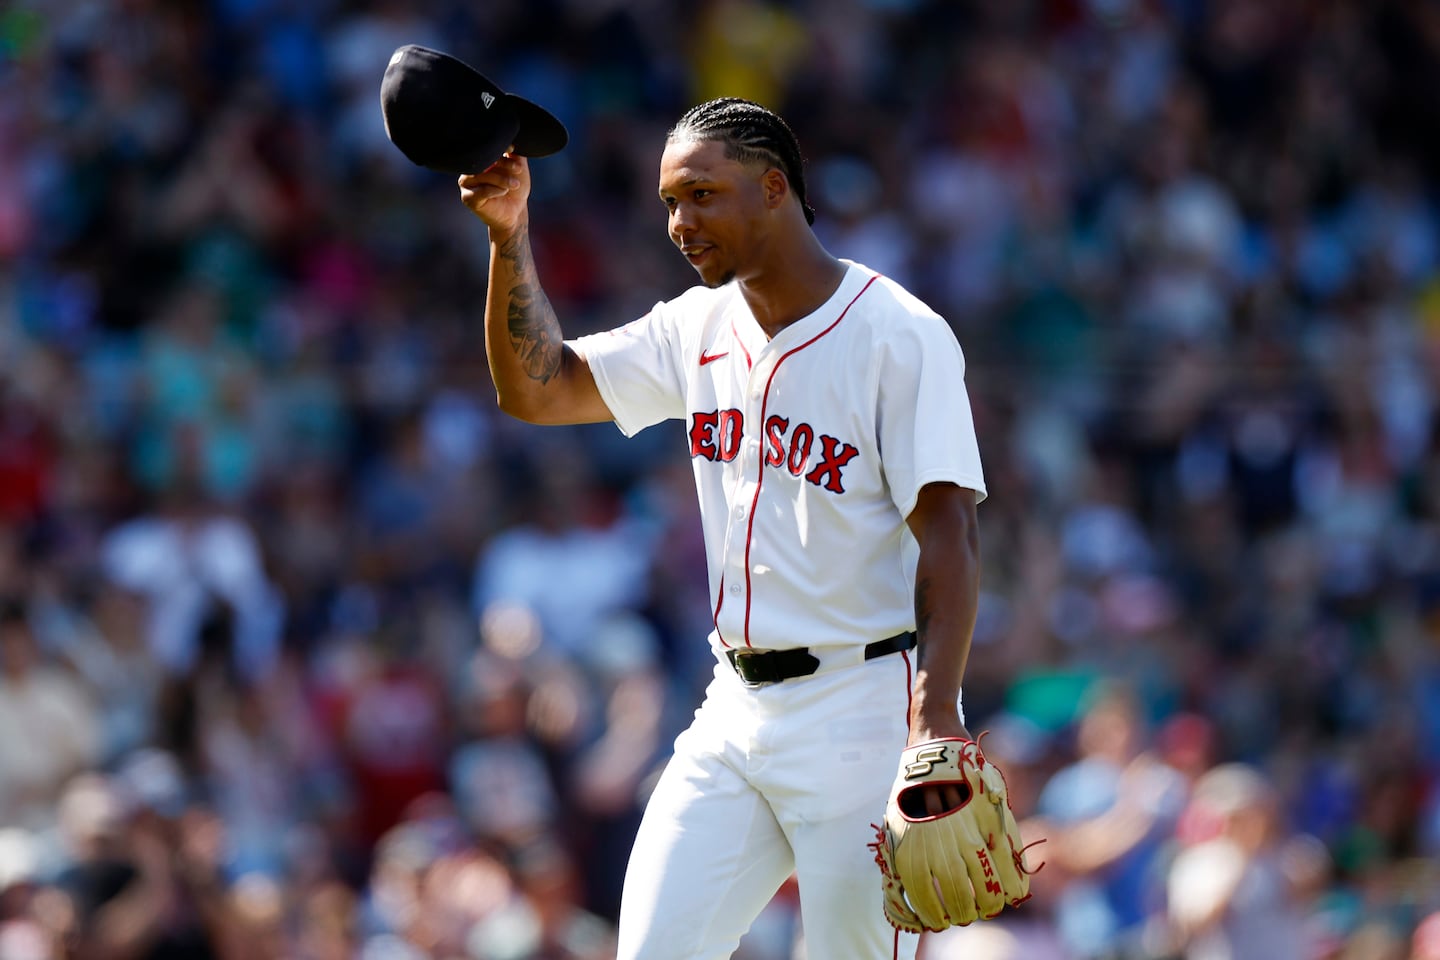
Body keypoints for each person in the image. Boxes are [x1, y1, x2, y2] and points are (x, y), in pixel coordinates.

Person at [459, 97, 996, 960]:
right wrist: (507, 234)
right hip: (733, 709)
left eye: (702, 194)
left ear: (773, 188)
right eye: (671, 200)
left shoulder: (899, 335)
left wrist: (935, 720)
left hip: (863, 709)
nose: (679, 221)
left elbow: (952, 539)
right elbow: (537, 388)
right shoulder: (697, 325)